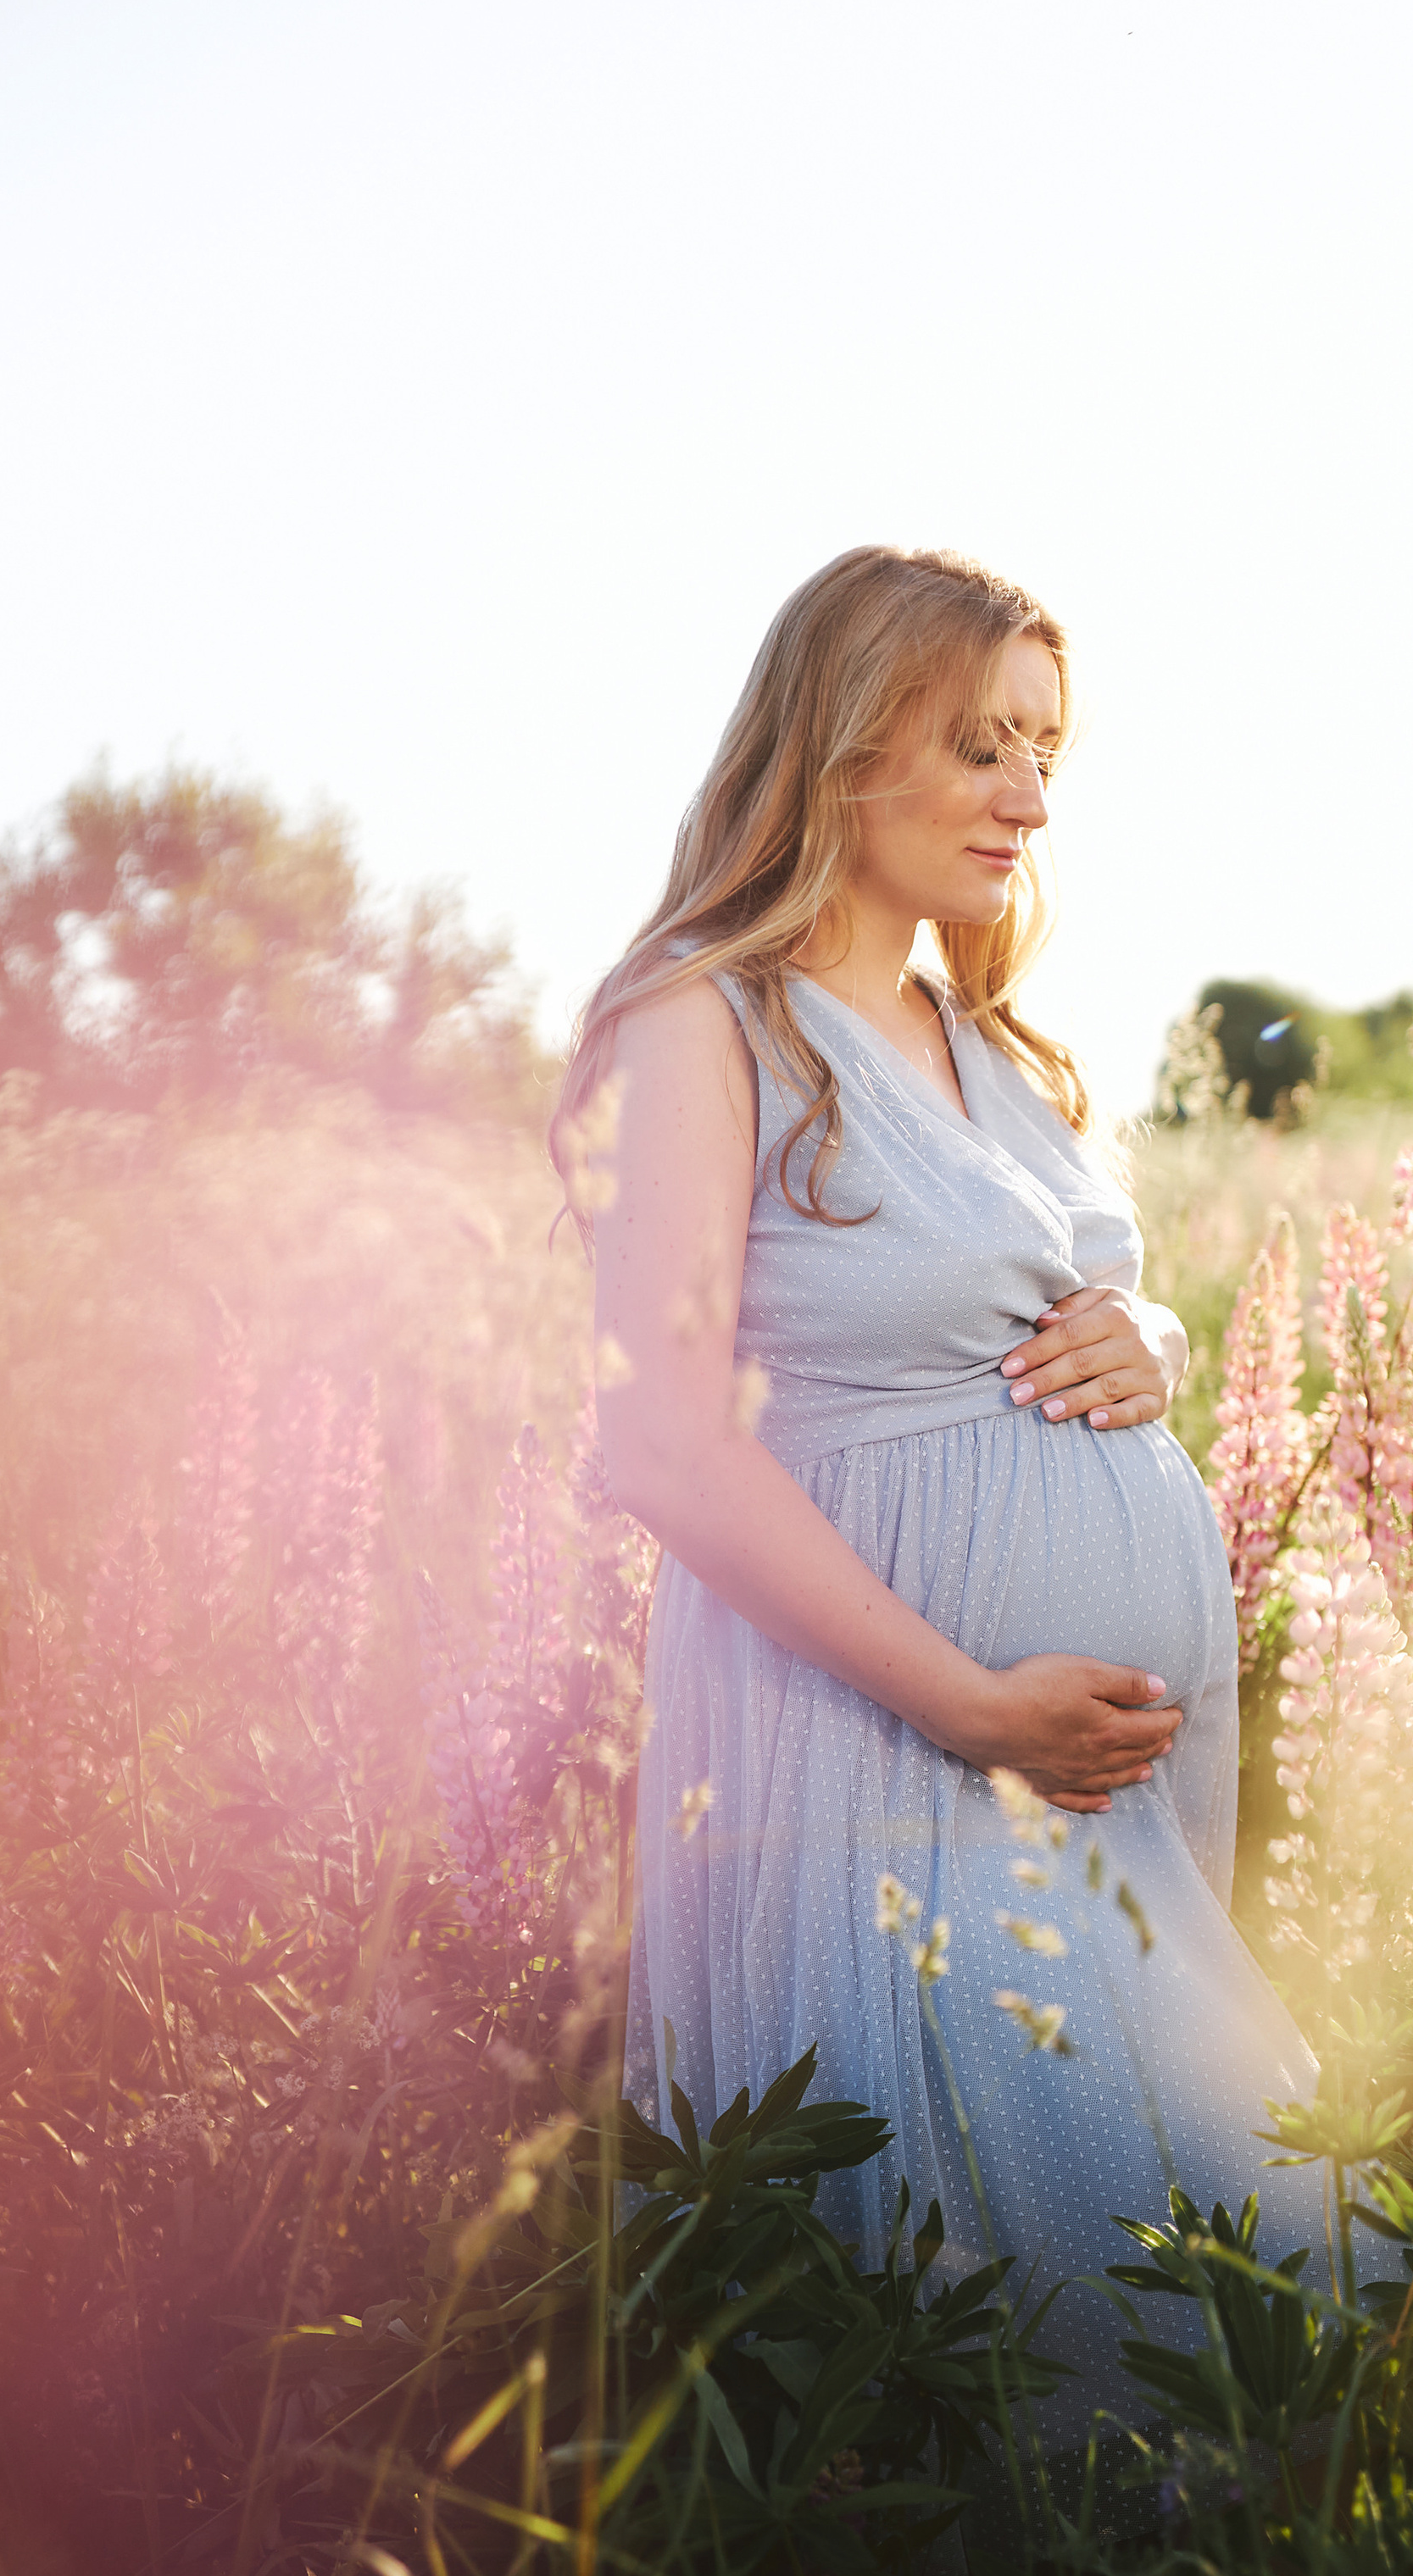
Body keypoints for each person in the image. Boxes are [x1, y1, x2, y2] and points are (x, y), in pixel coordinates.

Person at [554, 545, 1323, 2451]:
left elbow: (1049, 1285)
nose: (1029, 797)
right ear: (837, 745)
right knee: (1006, 2303)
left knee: (1225, 2253)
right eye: (978, 745)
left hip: (1096, 1789)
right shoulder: (702, 1026)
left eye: (1043, 750)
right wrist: (967, 1706)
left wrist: (1144, 1324)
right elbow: (660, 1437)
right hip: (884, 1755)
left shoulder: (996, 1047)